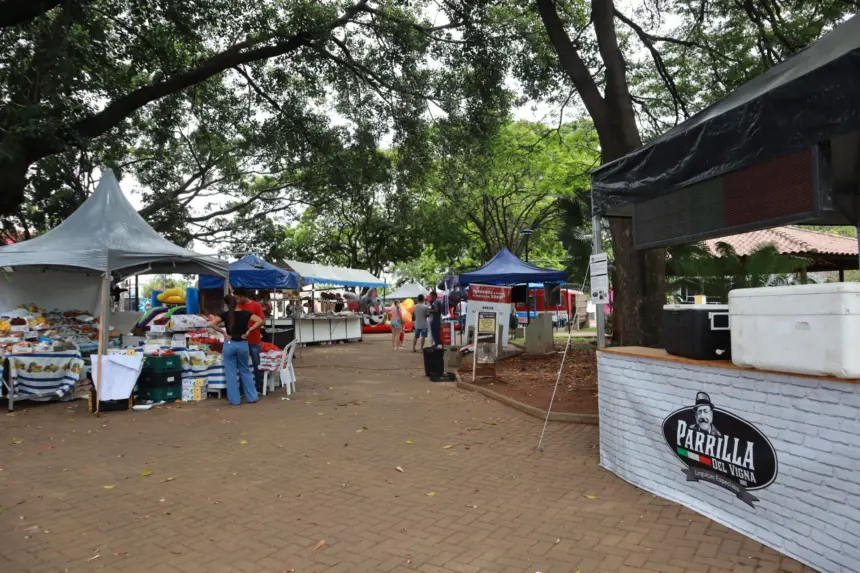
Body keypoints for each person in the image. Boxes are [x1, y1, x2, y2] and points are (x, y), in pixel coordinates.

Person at [209, 294, 264, 406]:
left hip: (229, 344)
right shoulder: (245, 314)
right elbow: (260, 321)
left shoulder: (225, 315)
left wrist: (224, 333)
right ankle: (252, 397)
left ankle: (234, 400)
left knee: (231, 373)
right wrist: (249, 331)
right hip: (243, 344)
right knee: (245, 370)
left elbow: (212, 324)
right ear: (237, 302)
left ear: (227, 304)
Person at [233, 288, 265, 390]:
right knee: (243, 365)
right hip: (241, 341)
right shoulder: (237, 306)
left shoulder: (256, 305)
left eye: (237, 298)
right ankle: (243, 388)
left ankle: (259, 386)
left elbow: (262, 321)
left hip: (254, 340)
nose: (236, 300)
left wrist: (251, 328)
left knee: (257, 365)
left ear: (243, 297)